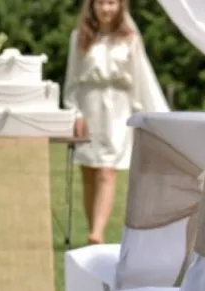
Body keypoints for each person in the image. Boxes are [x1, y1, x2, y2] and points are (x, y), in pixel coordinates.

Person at [63, 0, 169, 245]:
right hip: (88, 107)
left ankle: (97, 233)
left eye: (111, 2)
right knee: (88, 170)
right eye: (101, 3)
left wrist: (142, 116)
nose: (106, 9)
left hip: (118, 111)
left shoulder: (130, 39)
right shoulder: (79, 37)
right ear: (92, 6)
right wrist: (74, 113)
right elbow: (72, 80)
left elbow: (140, 81)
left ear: (120, 6)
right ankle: (93, 227)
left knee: (107, 170)